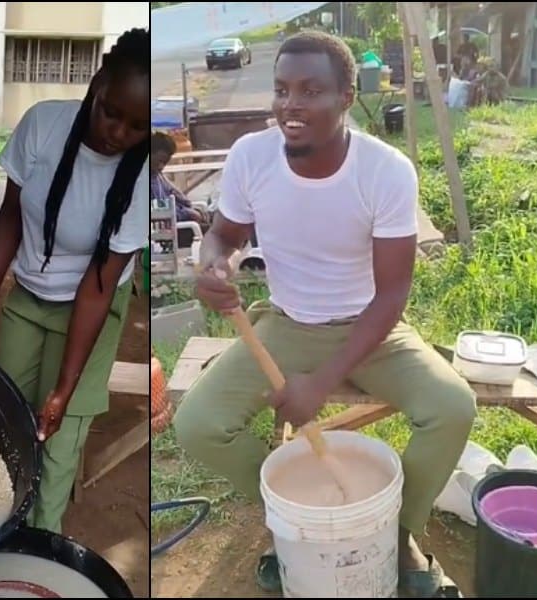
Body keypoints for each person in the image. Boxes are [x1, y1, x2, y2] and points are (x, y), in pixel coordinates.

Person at [172, 32, 473, 597]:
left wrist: (323, 382)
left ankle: (397, 532)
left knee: (453, 406)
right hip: (287, 325)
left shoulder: (385, 170)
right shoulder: (251, 156)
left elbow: (392, 294)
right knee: (197, 425)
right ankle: (293, 526)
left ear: (344, 97)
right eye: (283, 90)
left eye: (311, 91)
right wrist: (212, 265)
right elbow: (224, 235)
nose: (291, 105)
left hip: (373, 330)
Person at [0, 28, 150, 535]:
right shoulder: (43, 124)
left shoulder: (142, 173)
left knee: (59, 435)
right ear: (99, 81)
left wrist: (64, 387)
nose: (118, 133)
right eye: (111, 112)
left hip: (92, 307)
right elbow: (10, 217)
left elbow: (100, 284)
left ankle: (42, 541)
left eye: (136, 126)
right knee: (8, 413)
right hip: (31, 293)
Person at [151, 131, 208, 248]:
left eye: (165, 162)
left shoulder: (158, 175)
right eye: (159, 161)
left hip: (177, 221)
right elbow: (158, 211)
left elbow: (177, 195)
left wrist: (191, 209)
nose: (161, 166)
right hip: (164, 233)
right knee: (221, 236)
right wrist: (187, 213)